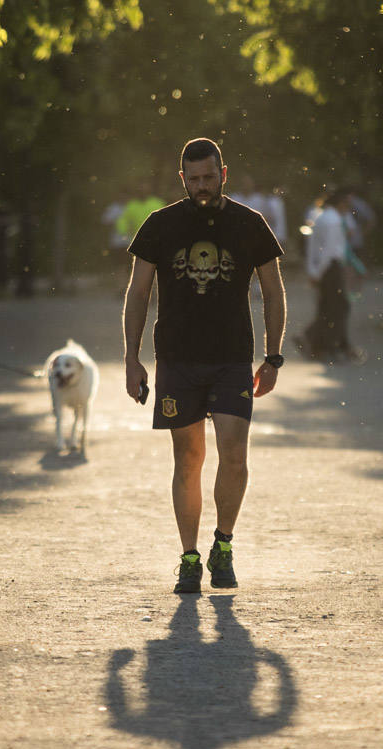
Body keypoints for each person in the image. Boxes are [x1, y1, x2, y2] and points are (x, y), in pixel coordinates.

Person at [122, 138, 286, 594]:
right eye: (193, 180)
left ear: (223, 174)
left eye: (209, 178)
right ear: (182, 180)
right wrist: (132, 358)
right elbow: (138, 293)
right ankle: (189, 557)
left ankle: (224, 545)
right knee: (189, 458)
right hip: (177, 358)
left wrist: (273, 357)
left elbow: (274, 291)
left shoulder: (249, 224)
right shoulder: (160, 225)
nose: (201, 187)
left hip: (233, 357)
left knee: (234, 456)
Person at [298, 189, 354, 362]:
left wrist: (313, 270)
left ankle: (318, 343)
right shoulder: (333, 220)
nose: (348, 207)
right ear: (340, 203)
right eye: (346, 204)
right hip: (330, 268)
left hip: (325, 267)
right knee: (337, 307)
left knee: (327, 306)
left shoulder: (322, 217)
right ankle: (327, 345)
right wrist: (319, 273)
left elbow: (313, 247)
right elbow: (329, 251)